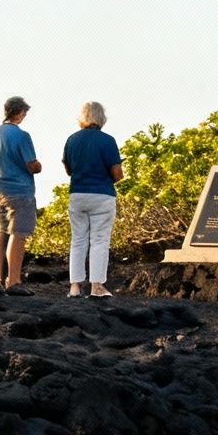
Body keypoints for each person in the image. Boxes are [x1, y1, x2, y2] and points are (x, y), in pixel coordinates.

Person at [61, 101, 124, 298]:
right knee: (99, 241)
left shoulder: (72, 139)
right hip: (101, 194)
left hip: (77, 193)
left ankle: (74, 287)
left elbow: (68, 168)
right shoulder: (107, 140)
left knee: (78, 240)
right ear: (101, 118)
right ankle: (96, 286)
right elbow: (117, 173)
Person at [0, 96, 42, 296]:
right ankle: (14, 281)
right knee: (18, 235)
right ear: (19, 112)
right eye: (24, 113)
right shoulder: (22, 136)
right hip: (20, 190)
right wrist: (38, 166)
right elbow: (31, 165)